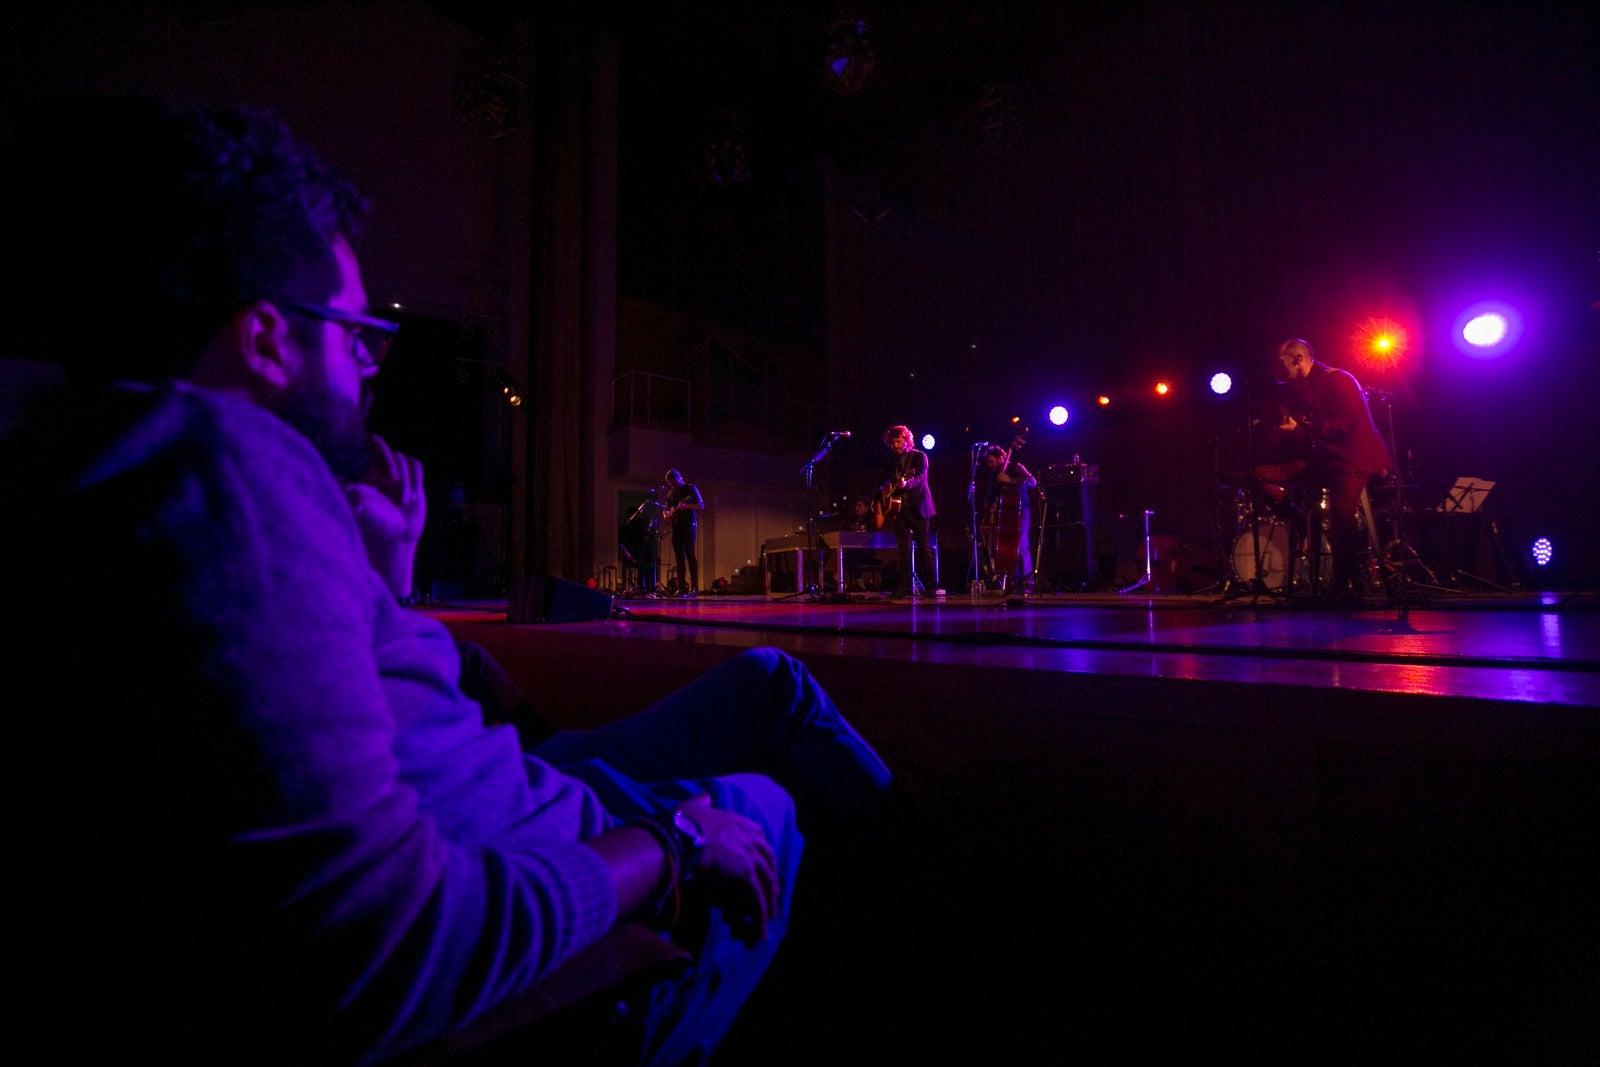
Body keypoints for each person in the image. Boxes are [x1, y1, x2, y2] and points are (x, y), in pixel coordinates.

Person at [1, 97, 895, 1066]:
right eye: (351, 334)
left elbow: (355, 715)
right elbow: (378, 947)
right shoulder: (222, 462)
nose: (366, 365)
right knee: (762, 797)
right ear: (264, 340)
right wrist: (673, 841)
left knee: (766, 685)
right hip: (566, 908)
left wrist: (387, 571)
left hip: (534, 807)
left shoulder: (104, 465)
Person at [1253, 337, 1393, 599]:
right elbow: (1304, 430)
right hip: (1320, 459)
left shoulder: (1338, 379)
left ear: (1297, 358)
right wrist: (1282, 433)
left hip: (1349, 458)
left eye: (1278, 362)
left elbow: (1348, 421)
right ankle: (1296, 518)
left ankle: (1343, 584)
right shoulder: (1298, 390)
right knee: (1257, 476)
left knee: (1341, 517)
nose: (1274, 368)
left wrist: (1303, 429)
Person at [879, 424, 937, 599]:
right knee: (902, 551)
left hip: (918, 508)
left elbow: (920, 477)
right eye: (893, 443)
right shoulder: (892, 461)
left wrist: (906, 483)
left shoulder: (920, 456)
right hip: (898, 511)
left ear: (907, 440)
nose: (896, 445)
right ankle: (902, 588)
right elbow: (882, 482)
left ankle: (930, 588)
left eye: (898, 441)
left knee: (923, 549)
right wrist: (879, 497)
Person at [983, 442, 1037, 591]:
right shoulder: (995, 475)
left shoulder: (1016, 467)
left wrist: (1010, 480)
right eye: (988, 462)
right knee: (1006, 547)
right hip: (1005, 513)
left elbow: (1032, 482)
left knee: (1022, 546)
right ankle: (1013, 579)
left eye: (992, 461)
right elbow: (991, 494)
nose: (990, 465)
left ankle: (1029, 580)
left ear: (1001, 457)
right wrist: (988, 501)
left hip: (1021, 510)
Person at [663, 469, 704, 597]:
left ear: (679, 478)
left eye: (674, 482)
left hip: (688, 526)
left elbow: (700, 505)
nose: (673, 485)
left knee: (690, 556)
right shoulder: (671, 494)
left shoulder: (690, 488)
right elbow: (666, 509)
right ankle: (682, 588)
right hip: (677, 527)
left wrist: (685, 507)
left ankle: (695, 588)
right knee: (679, 559)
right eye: (671, 484)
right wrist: (666, 515)